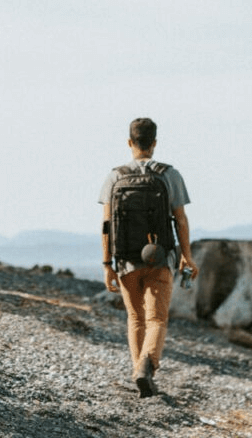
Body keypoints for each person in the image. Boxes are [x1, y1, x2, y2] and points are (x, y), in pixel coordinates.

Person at [99, 117, 197, 397]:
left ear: (129, 142)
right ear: (154, 143)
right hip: (160, 258)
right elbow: (180, 219)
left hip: (125, 260)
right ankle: (146, 367)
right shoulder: (169, 175)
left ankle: (138, 373)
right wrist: (186, 256)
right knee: (156, 319)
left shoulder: (115, 176)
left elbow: (106, 225)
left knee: (135, 318)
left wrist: (107, 264)